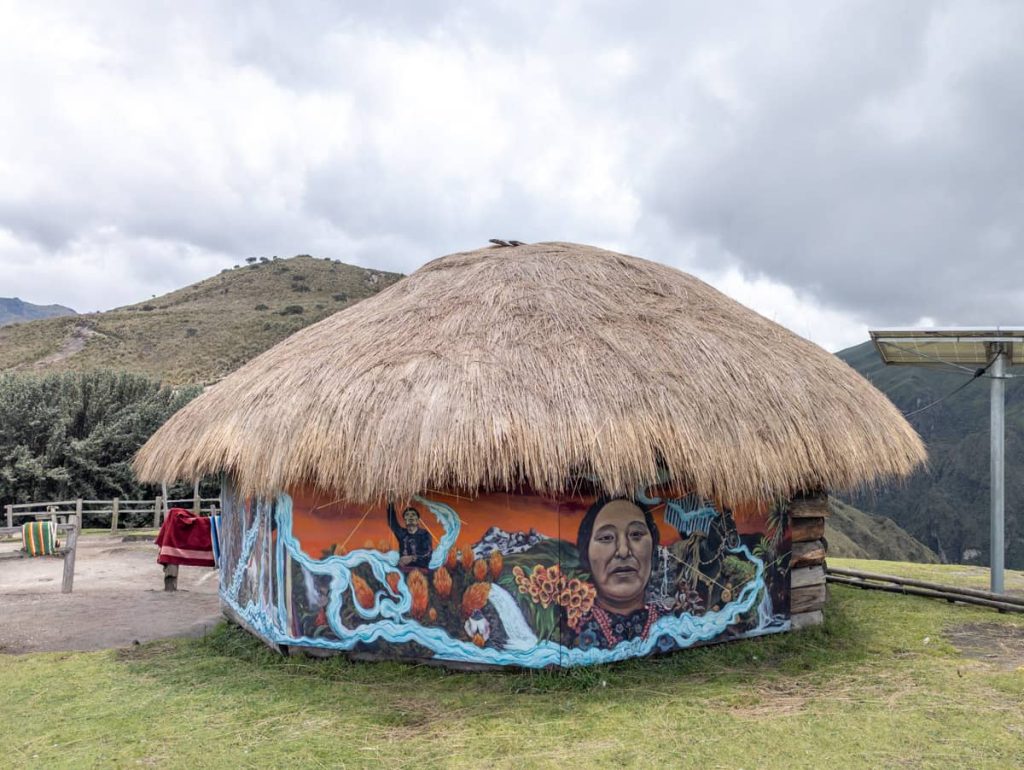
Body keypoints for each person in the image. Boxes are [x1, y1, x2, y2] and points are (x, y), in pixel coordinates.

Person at [571, 497, 665, 650]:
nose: (623, 551)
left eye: (636, 534)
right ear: (586, 552)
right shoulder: (568, 630)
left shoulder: (676, 624)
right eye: (606, 537)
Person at [387, 502, 433, 572]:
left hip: (421, 570)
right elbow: (392, 522)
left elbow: (427, 553)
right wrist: (390, 503)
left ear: (418, 520)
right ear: (405, 520)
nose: (410, 516)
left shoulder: (424, 534)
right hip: (403, 570)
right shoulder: (402, 533)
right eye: (407, 515)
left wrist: (411, 558)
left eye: (413, 515)